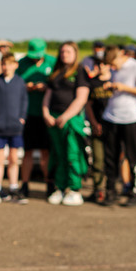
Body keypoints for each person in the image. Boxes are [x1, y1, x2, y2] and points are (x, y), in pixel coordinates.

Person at [101, 45, 136, 207]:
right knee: (110, 158)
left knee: (133, 156)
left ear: (121, 55)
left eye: (113, 63)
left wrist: (124, 87)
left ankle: (135, 191)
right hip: (110, 117)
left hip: (130, 118)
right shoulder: (112, 69)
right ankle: (110, 191)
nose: (112, 67)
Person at [42, 42, 91, 206]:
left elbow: (81, 98)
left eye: (68, 51)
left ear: (75, 53)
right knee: (58, 155)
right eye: (62, 51)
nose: (64, 54)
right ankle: (60, 187)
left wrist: (66, 116)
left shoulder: (80, 71)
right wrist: (46, 113)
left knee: (72, 154)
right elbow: (48, 95)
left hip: (71, 119)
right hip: (54, 119)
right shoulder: (56, 72)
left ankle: (74, 188)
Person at [17, 38, 56, 199]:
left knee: (46, 152)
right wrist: (26, 87)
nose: (35, 58)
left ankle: (49, 184)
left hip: (46, 114)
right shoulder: (21, 63)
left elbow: (56, 85)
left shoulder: (52, 62)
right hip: (28, 113)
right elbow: (15, 83)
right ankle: (24, 184)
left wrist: (46, 88)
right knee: (28, 152)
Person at [0, 53, 28, 203]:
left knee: (13, 158)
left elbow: (24, 101)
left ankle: (13, 188)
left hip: (15, 126)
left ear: (15, 65)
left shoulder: (20, 82)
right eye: (4, 64)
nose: (6, 67)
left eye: (9, 64)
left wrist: (22, 118)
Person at [85, 56, 113, 203]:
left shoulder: (114, 81)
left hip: (113, 126)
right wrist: (94, 123)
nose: (102, 66)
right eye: (99, 64)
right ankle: (97, 189)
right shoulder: (93, 82)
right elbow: (88, 105)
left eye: (104, 63)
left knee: (112, 160)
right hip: (98, 126)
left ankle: (111, 189)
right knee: (98, 160)